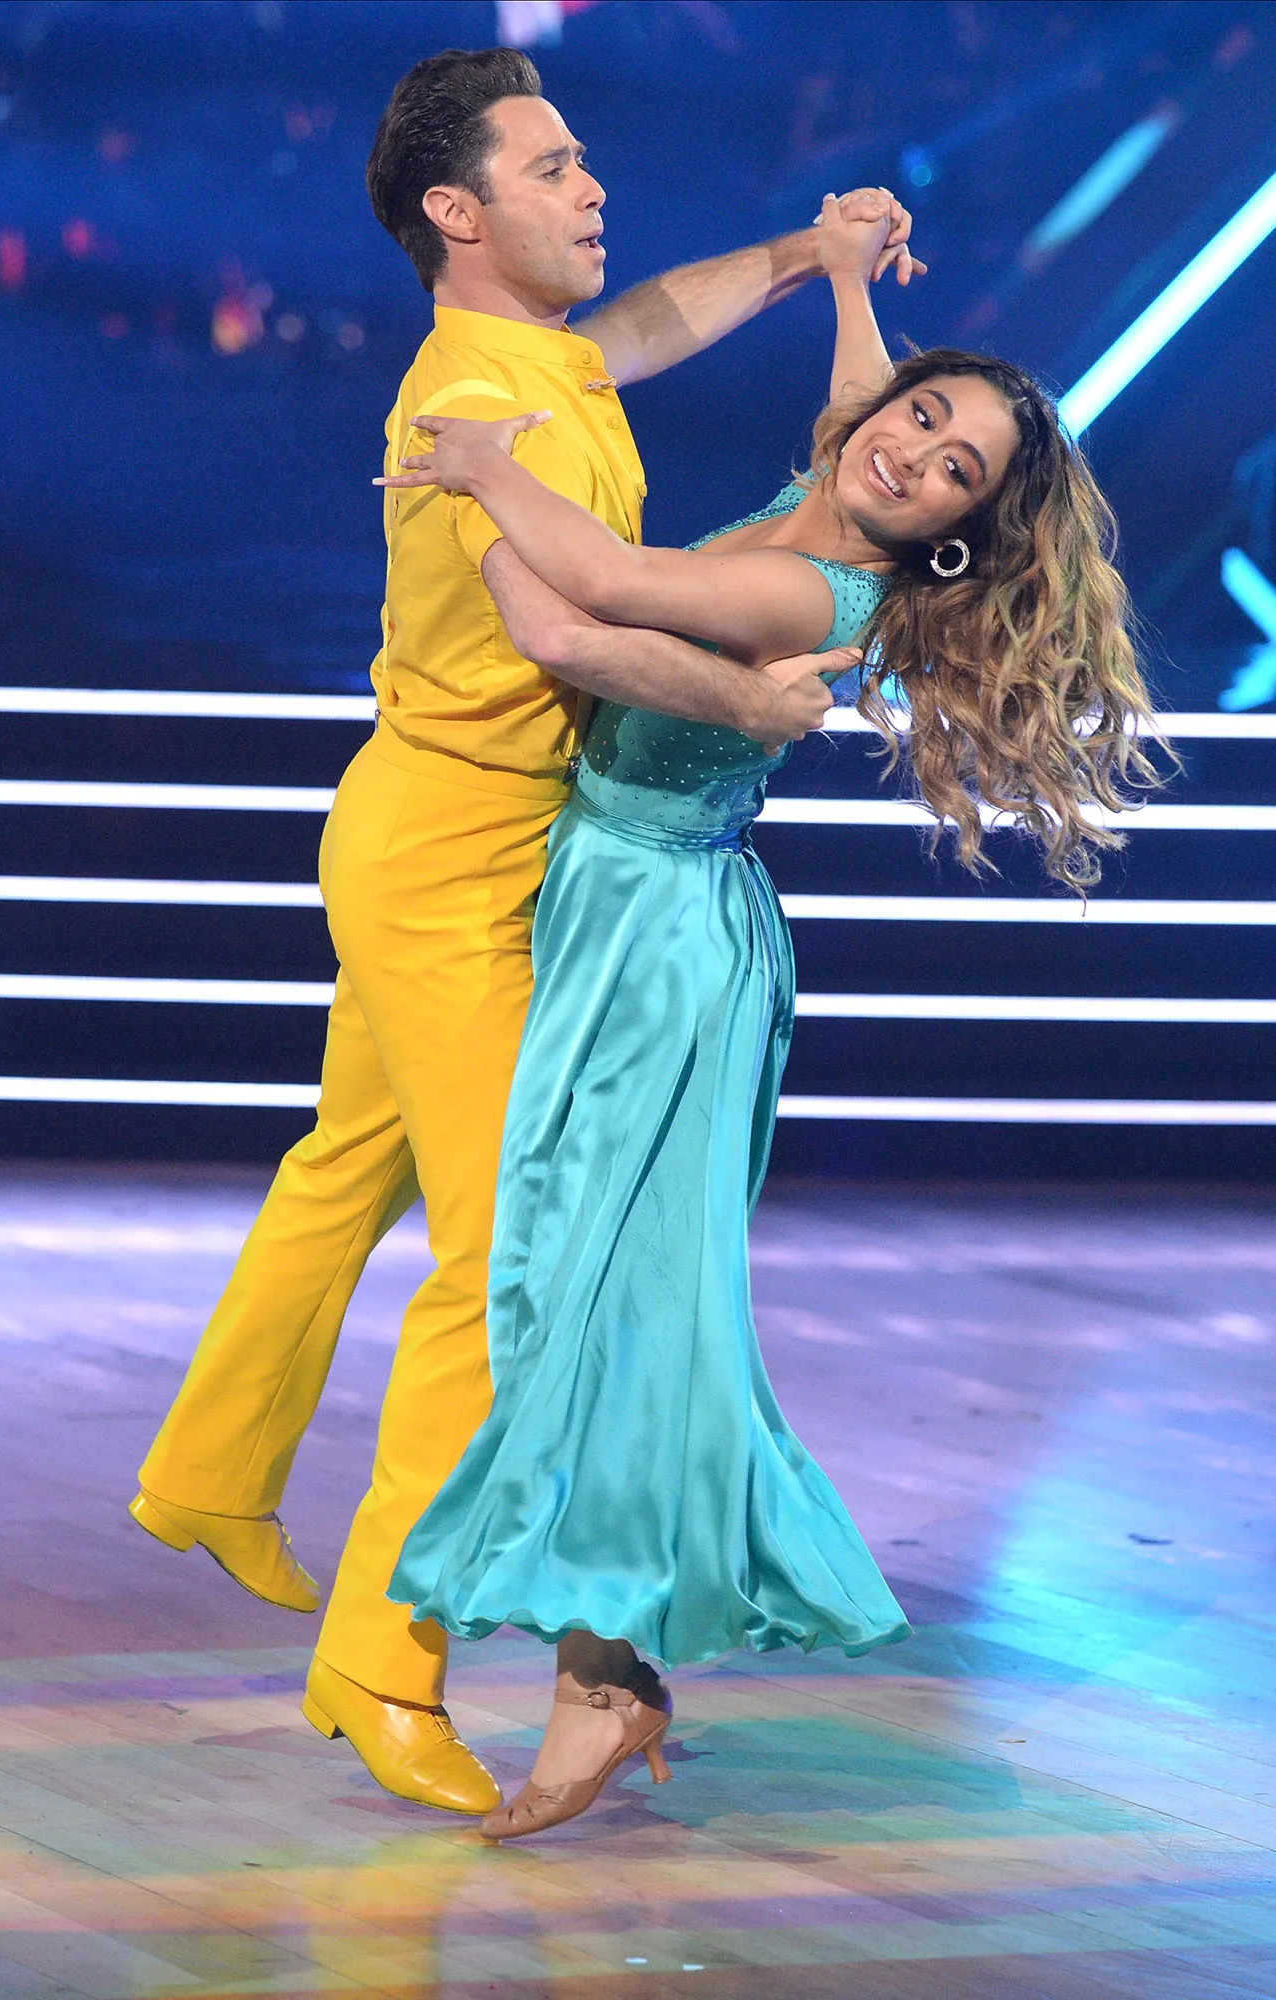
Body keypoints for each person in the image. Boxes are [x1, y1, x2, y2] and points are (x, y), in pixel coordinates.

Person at [128, 47, 909, 1818]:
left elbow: (645, 321)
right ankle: (372, 1662)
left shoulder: (526, 361)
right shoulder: (488, 409)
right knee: (497, 1269)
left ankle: (211, 1474)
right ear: (457, 212)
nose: (595, 187)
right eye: (554, 167)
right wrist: (750, 694)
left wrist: (808, 257)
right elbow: (567, 640)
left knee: (349, 1165)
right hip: (457, 855)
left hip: (430, 821)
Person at [383, 193, 1166, 1840]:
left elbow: (583, 590)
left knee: (615, 1320)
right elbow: (849, 419)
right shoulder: (837, 483)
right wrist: (840, 272)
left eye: (956, 471)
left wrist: (478, 468)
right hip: (617, 913)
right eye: (923, 416)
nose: (915, 455)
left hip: (663, 941)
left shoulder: (822, 601)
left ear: (960, 533)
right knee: (573, 1304)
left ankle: (606, 1679)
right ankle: (614, 1668)